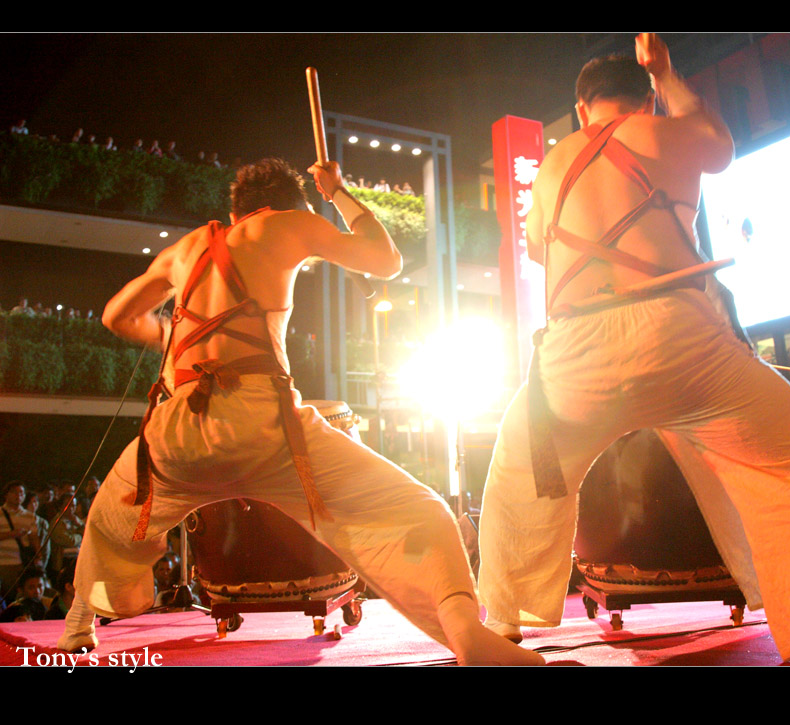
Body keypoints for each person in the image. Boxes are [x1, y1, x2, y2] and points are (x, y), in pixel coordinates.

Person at [477, 33, 790, 666]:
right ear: (645, 101)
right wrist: (667, 74)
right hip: (679, 338)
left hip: (575, 350)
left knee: (519, 471)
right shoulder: (663, 130)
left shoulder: (555, 161)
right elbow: (719, 147)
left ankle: (500, 626)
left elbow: (538, 249)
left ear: (581, 109)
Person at [56, 157, 541, 666]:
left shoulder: (185, 248)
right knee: (421, 510)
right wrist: (338, 193)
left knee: (109, 513)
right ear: (288, 204)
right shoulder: (286, 222)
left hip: (178, 431)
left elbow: (116, 316)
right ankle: (464, 632)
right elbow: (386, 260)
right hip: (262, 425)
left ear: (235, 210)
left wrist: (175, 342)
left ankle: (77, 626)